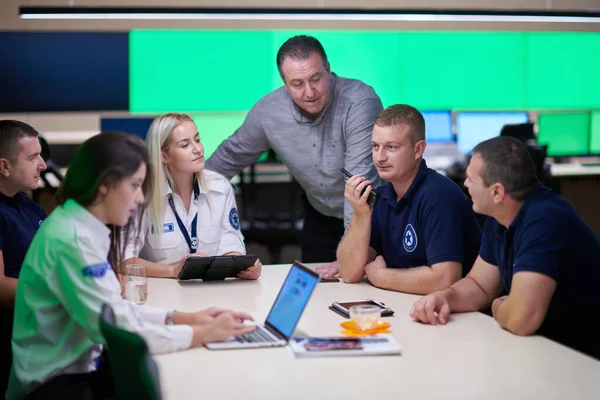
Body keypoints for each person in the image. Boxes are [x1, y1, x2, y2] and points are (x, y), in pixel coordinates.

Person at [6, 132, 255, 399]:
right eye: (135, 185)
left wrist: (184, 318)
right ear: (105, 185)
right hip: (53, 385)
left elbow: (115, 311)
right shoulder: (73, 240)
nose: (139, 199)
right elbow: (122, 332)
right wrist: (203, 333)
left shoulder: (79, 225)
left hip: (74, 368)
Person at [410, 136, 600, 360]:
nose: (465, 184)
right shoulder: (499, 218)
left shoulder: (545, 220)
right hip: (546, 351)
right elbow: (479, 285)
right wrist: (445, 298)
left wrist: (499, 307)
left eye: (471, 179)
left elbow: (522, 319)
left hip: (584, 362)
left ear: (497, 192)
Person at [205, 35, 383, 268]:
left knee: (366, 288)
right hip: (319, 214)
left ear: (328, 70)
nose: (309, 92)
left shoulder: (359, 102)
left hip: (370, 215)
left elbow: (359, 184)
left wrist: (351, 255)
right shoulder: (268, 112)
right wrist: (177, 198)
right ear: (284, 82)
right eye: (297, 84)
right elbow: (226, 159)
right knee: (316, 290)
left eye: (316, 79)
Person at [335, 105, 481, 293]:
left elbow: (445, 279)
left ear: (418, 149)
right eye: (375, 146)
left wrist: (381, 276)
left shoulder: (439, 196)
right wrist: (360, 214)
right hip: (407, 306)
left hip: (456, 315)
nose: (380, 157)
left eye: (392, 147)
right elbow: (348, 272)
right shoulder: (383, 196)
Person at [123, 113, 261, 279]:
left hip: (211, 290)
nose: (197, 149)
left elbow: (231, 245)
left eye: (197, 139)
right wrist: (173, 271)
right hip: (161, 292)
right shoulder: (142, 195)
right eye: (185, 145)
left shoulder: (220, 187)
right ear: (164, 156)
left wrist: (244, 266)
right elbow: (123, 260)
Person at [0, 120, 48, 396]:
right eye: (33, 157)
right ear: (4, 166)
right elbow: (2, 289)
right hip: (14, 341)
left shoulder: (30, 207)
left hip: (42, 329)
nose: (42, 164)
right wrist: (61, 289)